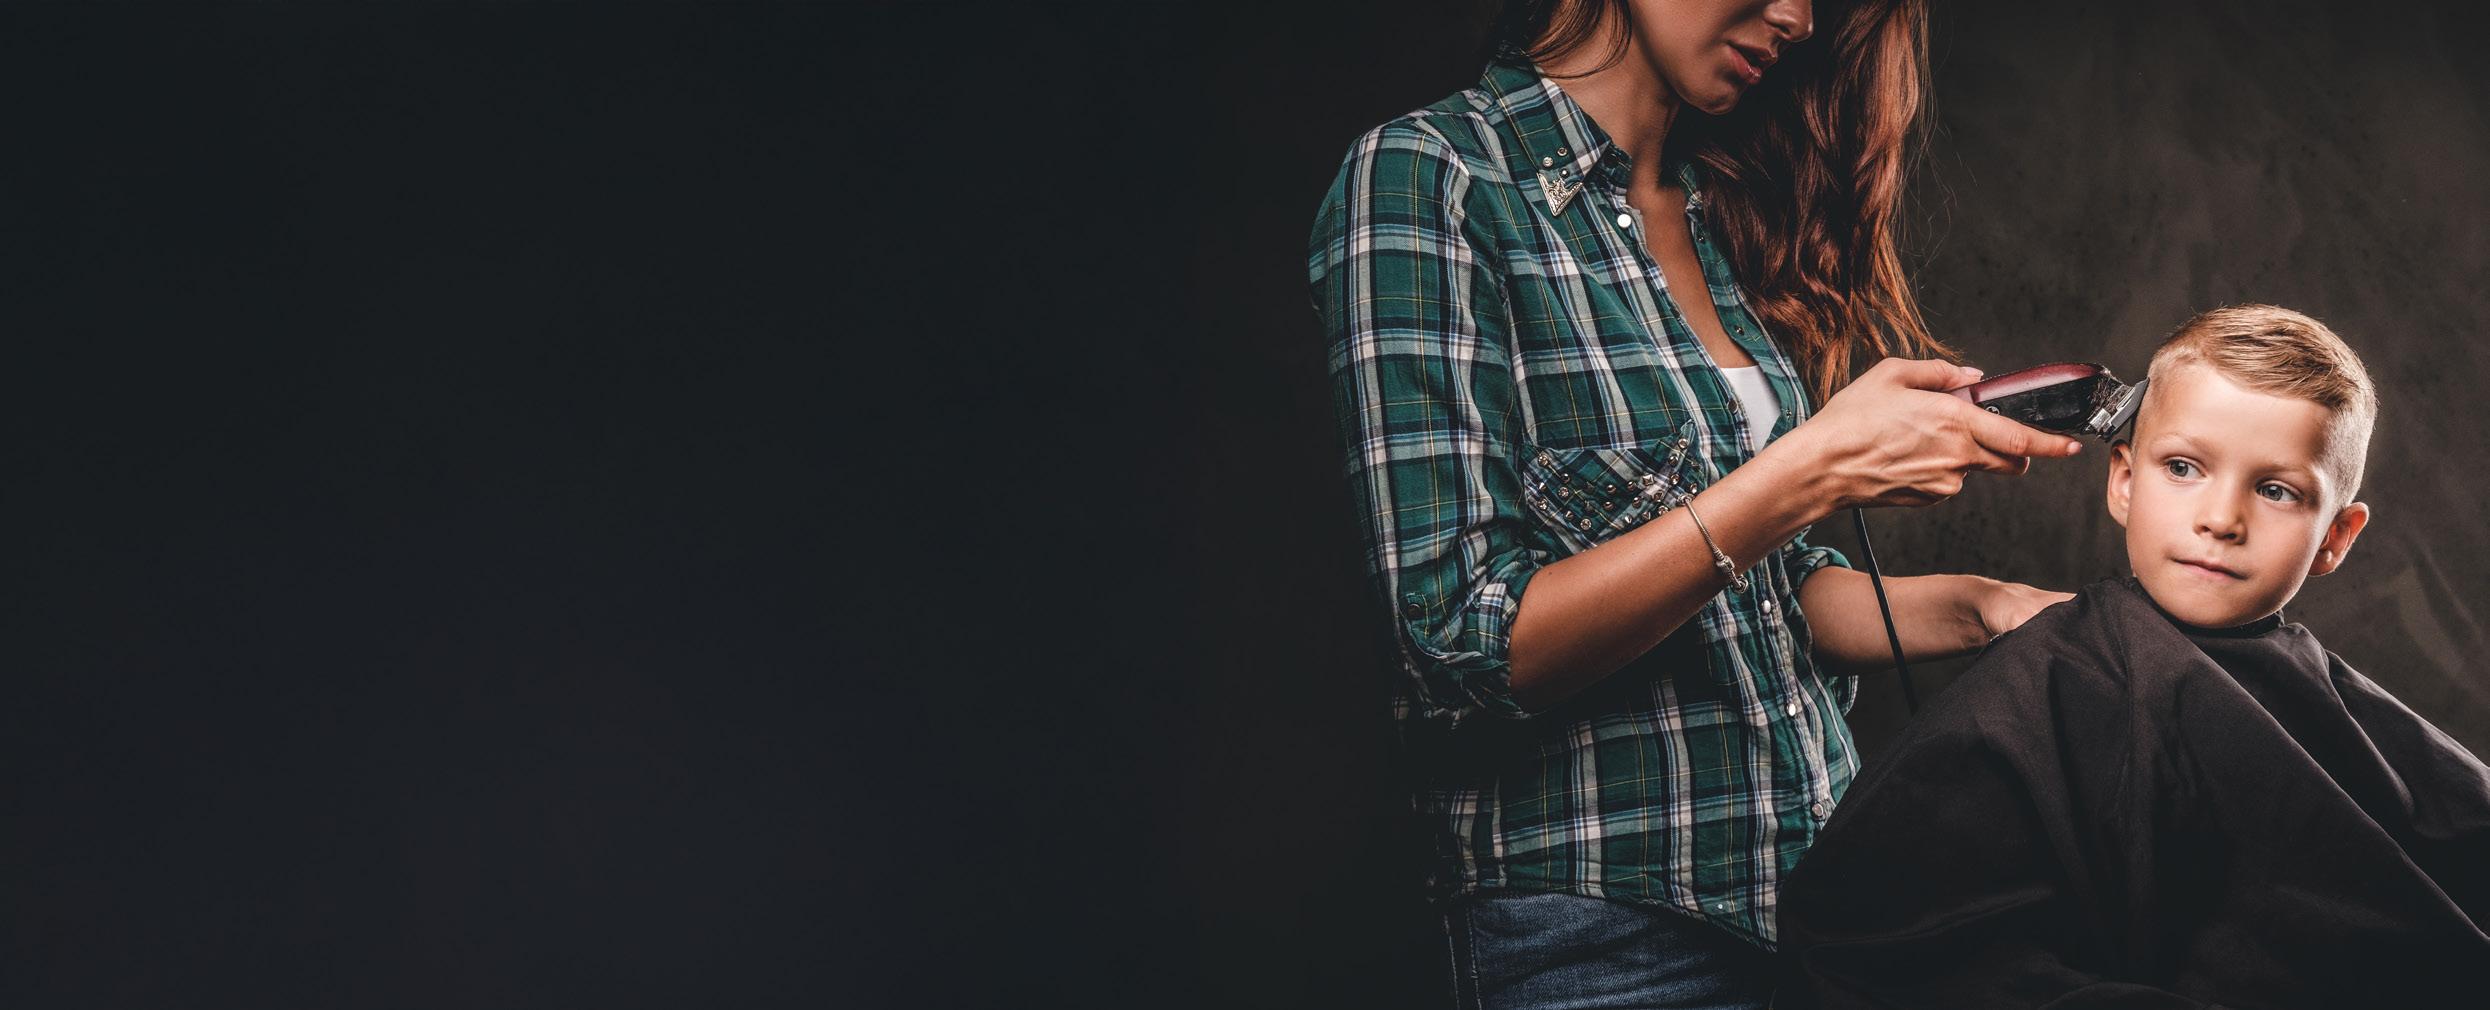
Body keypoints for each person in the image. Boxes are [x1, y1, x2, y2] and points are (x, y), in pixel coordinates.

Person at [1306, 1, 2088, 1005]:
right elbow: (1466, 646)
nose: (1797, 17)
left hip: (1827, 907)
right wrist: (1810, 468)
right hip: (1608, 942)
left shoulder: (1719, 211)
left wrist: (1990, 609)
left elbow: (1770, 591)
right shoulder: (1434, 178)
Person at [1776, 305, 2490, 1007]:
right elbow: (1877, 941)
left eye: (2275, 491)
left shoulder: (2331, 699)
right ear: (2123, 480)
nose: (2220, 519)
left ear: (2336, 537)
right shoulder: (2044, 683)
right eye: (2183, 467)